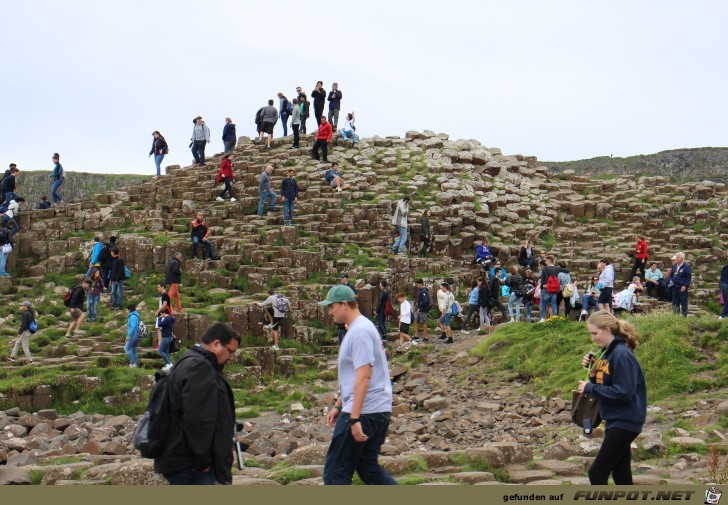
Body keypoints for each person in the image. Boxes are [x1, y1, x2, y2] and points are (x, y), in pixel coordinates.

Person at [318, 285, 397, 485]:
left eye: (331, 306)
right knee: (368, 469)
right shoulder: (362, 328)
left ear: (344, 304)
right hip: (376, 409)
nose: (329, 312)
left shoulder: (359, 332)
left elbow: (363, 376)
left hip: (364, 411)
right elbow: (353, 375)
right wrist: (339, 404)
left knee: (335, 473)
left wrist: (353, 418)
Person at [154, 322, 239, 485]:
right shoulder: (200, 367)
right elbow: (197, 419)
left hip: (182, 460)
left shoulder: (189, 360)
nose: (231, 357)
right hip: (191, 466)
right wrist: (204, 461)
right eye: (230, 351)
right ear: (216, 344)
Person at [578, 312, 646, 485]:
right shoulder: (606, 354)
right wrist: (593, 373)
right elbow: (604, 385)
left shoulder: (621, 355)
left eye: (594, 333)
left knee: (596, 474)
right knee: (621, 475)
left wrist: (590, 387)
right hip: (615, 419)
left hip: (625, 420)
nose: (592, 338)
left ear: (607, 330)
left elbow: (624, 392)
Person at [8, 301, 35, 365]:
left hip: (26, 332)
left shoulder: (25, 314)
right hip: (29, 331)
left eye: (22, 305)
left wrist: (20, 332)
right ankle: (12, 356)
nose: (21, 307)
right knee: (17, 342)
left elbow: (24, 325)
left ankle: (30, 361)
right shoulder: (31, 313)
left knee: (25, 347)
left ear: (25, 307)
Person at [336, 274, 358, 344]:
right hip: (343, 308)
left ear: (346, 279)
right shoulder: (341, 287)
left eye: (343, 278)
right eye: (341, 278)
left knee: (347, 326)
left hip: (348, 308)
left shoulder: (351, 286)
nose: (341, 279)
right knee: (342, 327)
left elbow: (355, 295)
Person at [538, 256, 560, 322]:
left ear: (549, 260)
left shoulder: (545, 268)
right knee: (554, 303)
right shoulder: (556, 268)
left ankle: (543, 318)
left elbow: (543, 279)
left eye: (546, 260)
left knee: (544, 304)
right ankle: (555, 317)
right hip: (554, 288)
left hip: (546, 288)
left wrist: (542, 287)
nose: (545, 262)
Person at [670, 252, 692, 317]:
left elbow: (688, 277)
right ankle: (675, 316)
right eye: (676, 257)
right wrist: (671, 281)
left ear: (682, 258)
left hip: (682, 287)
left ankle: (684, 316)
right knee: (675, 303)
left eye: (677, 257)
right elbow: (671, 275)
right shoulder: (674, 266)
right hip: (674, 287)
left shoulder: (686, 266)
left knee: (683, 302)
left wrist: (685, 286)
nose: (676, 258)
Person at [157, 307, 176, 371]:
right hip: (170, 336)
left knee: (160, 351)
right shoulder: (171, 317)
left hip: (166, 337)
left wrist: (159, 318)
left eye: (161, 314)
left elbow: (159, 324)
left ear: (164, 313)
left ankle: (169, 363)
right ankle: (169, 365)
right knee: (166, 351)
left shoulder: (166, 319)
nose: (161, 316)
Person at [125, 303, 141, 368]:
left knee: (126, 348)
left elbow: (133, 327)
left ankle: (133, 363)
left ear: (129, 310)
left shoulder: (132, 316)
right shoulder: (136, 315)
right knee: (134, 350)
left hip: (134, 334)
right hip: (136, 334)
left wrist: (128, 335)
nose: (126, 311)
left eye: (126, 310)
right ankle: (135, 364)